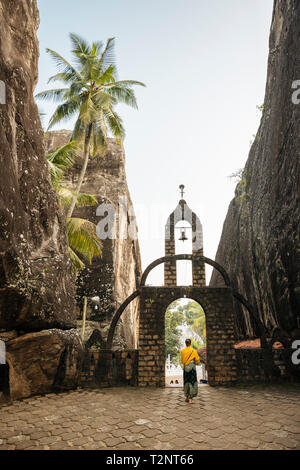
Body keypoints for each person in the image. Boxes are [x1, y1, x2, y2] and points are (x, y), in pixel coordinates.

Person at [181, 338, 200, 404]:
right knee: (192, 382)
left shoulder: (183, 351)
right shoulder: (194, 350)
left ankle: (186, 397)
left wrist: (186, 364)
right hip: (192, 368)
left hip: (186, 367)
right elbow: (197, 360)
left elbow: (183, 361)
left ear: (185, 343)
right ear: (190, 343)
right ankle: (190, 399)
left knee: (186, 381)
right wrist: (194, 362)